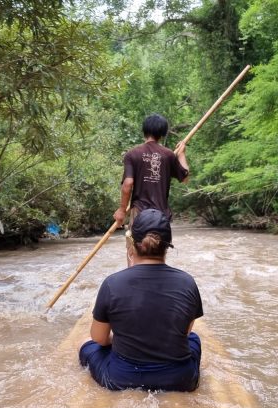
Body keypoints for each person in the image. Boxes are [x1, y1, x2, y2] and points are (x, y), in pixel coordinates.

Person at [79, 209, 203, 392]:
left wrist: (122, 340)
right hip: (180, 379)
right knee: (194, 339)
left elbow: (100, 338)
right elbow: (184, 334)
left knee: (87, 347)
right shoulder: (187, 282)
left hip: (122, 378)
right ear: (167, 246)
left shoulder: (112, 283)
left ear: (132, 247)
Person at [115, 114, 190, 266]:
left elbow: (128, 183)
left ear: (144, 131)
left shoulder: (132, 154)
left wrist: (122, 210)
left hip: (139, 213)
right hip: (161, 216)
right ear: (162, 134)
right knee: (157, 256)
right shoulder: (168, 155)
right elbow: (185, 177)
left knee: (133, 252)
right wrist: (181, 154)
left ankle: (133, 281)